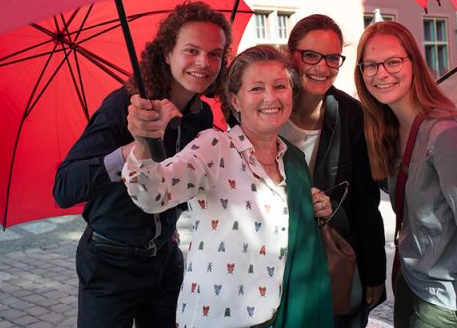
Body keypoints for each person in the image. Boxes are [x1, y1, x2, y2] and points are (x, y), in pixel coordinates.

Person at [123, 45, 334, 328]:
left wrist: (312, 206)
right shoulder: (215, 146)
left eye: (280, 86)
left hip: (276, 317)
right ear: (234, 100)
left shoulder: (292, 159)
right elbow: (152, 196)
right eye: (256, 88)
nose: (270, 97)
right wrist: (142, 142)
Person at [52, 1, 232, 328]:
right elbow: (64, 187)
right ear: (167, 53)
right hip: (109, 265)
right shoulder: (124, 105)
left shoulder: (201, 117)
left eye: (215, 53)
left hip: (166, 262)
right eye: (191, 50)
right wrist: (134, 146)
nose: (204, 63)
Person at [354, 21, 457, 328]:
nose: (381, 73)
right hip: (409, 285)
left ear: (414, 64)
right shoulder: (390, 130)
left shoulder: (447, 135)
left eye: (393, 61)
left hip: (444, 303)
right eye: (371, 65)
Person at [281, 14, 386, 327]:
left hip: (334, 261)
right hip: (275, 265)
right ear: (290, 55)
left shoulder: (351, 114)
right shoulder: (265, 109)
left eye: (332, 58)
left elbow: (365, 204)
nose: (321, 67)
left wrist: (374, 273)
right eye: (310, 55)